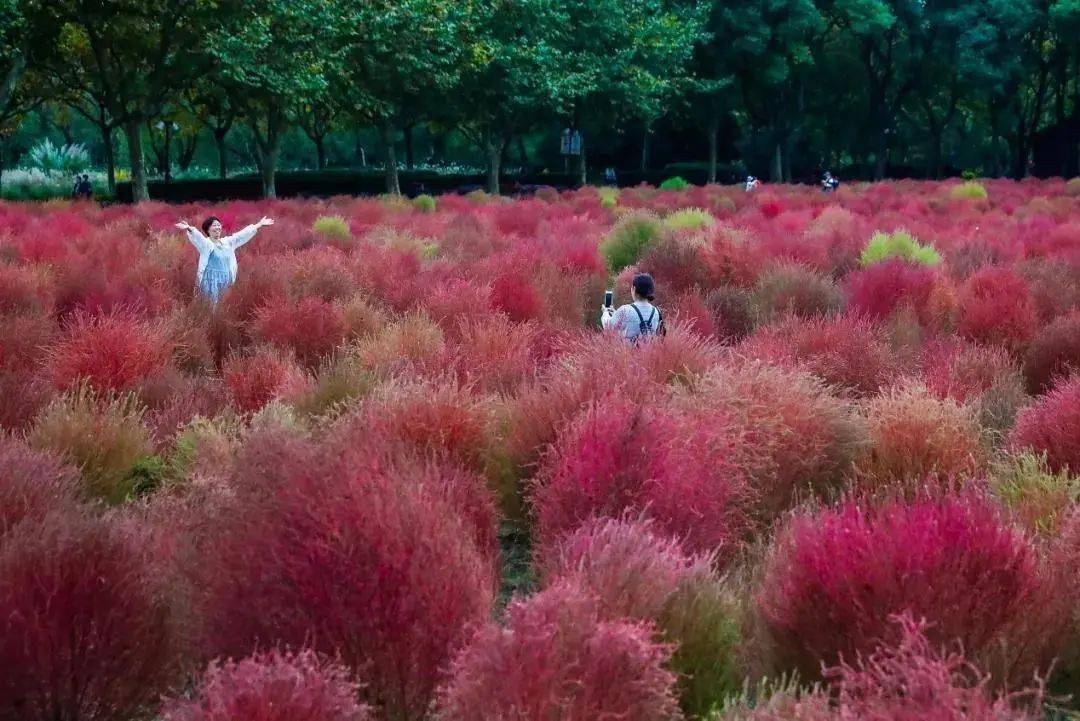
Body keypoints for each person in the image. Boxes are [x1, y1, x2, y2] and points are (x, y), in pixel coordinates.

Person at [174, 215, 274, 305]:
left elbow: (241, 235)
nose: (217, 227)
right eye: (214, 225)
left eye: (218, 225)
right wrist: (190, 229)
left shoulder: (227, 242)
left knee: (224, 307)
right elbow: (199, 238)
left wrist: (259, 224)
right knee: (210, 307)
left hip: (226, 281)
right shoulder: (206, 245)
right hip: (210, 282)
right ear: (208, 229)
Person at [601, 272, 664, 342]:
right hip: (648, 352)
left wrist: (605, 312)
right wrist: (616, 313)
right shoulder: (656, 312)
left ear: (634, 288)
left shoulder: (625, 310)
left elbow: (608, 327)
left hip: (628, 352)